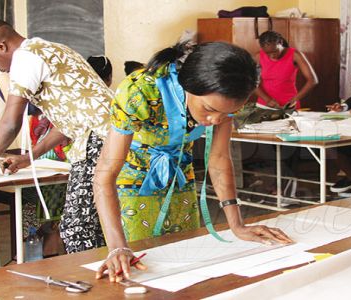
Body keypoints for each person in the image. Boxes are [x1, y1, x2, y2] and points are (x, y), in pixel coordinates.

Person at [93, 42, 293, 283]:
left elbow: (218, 159)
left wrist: (237, 225)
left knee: (187, 268)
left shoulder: (222, 102)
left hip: (179, 177)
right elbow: (104, 176)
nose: (216, 120)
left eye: (226, 114)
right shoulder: (140, 91)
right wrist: (116, 247)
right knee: (139, 271)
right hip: (131, 180)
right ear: (189, 86)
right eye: (209, 109)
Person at [0, 18, 113, 254]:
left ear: (0, 46)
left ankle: (97, 284)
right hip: (107, 138)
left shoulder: (26, 58)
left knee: (76, 229)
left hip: (98, 142)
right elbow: (69, 122)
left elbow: (9, 124)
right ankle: (107, 276)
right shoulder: (51, 48)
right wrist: (31, 157)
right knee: (95, 226)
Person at [255, 31, 318, 109]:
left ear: (280, 42)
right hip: (265, 104)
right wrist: (267, 99)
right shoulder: (258, 57)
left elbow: (312, 80)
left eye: (275, 51)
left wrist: (295, 99)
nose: (272, 56)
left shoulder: (295, 55)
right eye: (267, 53)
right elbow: (251, 81)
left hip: (289, 104)